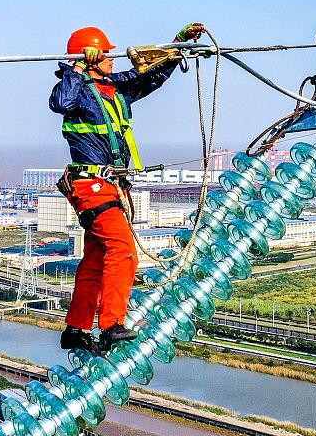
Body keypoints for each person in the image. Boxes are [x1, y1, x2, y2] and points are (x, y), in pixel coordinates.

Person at [50, 23, 203, 353]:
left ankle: (76, 328)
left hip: (110, 185)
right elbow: (61, 102)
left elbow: (149, 77)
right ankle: (111, 326)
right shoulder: (73, 88)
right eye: (104, 53)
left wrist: (177, 45)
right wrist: (77, 67)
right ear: (89, 57)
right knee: (124, 252)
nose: (110, 58)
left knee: (97, 256)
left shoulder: (114, 87)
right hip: (91, 185)